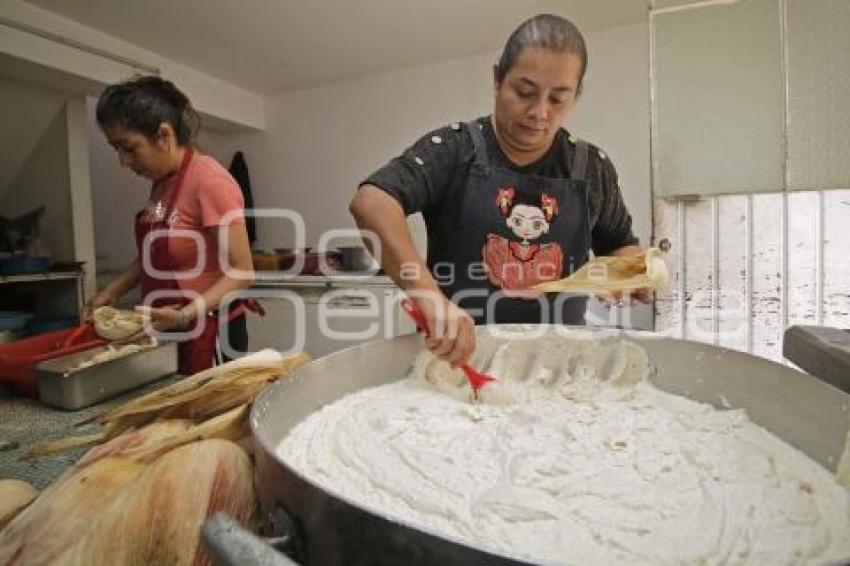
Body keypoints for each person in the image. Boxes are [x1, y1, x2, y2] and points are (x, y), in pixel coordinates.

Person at [350, 14, 649, 367]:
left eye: (558, 99)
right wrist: (428, 297)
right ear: (497, 79)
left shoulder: (592, 168)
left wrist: (634, 272)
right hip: (461, 364)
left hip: (561, 364)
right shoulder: (454, 149)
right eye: (525, 92)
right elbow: (372, 201)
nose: (539, 112)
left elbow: (618, 243)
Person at [86, 76, 260, 375]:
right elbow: (155, 255)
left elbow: (243, 271)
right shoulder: (161, 184)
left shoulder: (209, 181)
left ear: (164, 135)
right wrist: (112, 291)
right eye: (116, 149)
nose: (123, 161)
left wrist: (183, 316)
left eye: (128, 147)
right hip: (167, 326)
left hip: (210, 331)